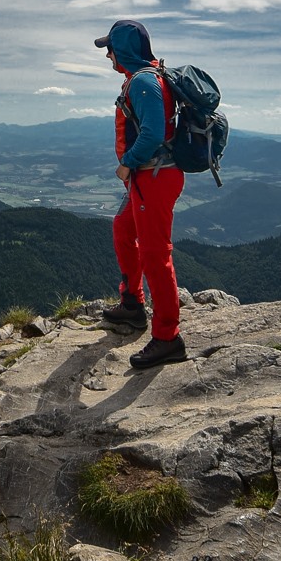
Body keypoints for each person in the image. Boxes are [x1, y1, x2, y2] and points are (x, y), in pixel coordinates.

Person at [95, 20, 187, 369]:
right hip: (147, 178)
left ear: (125, 49)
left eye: (111, 47)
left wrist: (127, 165)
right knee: (123, 230)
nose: (108, 54)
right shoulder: (145, 78)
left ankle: (168, 338)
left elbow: (149, 134)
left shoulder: (145, 82)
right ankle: (132, 305)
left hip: (154, 177)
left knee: (154, 255)